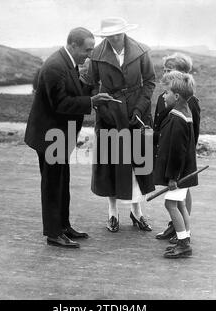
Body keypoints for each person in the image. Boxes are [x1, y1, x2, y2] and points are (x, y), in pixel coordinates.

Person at [24, 27, 114, 248]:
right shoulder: (55, 66)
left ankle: (63, 226)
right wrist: (92, 102)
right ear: (73, 45)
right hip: (49, 137)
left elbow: (72, 91)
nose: (89, 54)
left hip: (58, 136)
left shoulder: (67, 62)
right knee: (53, 185)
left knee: (62, 182)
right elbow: (61, 103)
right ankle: (54, 234)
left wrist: (90, 88)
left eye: (92, 49)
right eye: (87, 49)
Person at [86, 17, 156, 232]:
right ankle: (113, 213)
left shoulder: (141, 51)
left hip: (137, 112)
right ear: (105, 36)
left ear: (124, 32)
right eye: (110, 35)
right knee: (111, 163)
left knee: (138, 163)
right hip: (109, 114)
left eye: (118, 34)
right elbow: (91, 86)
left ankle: (137, 213)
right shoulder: (97, 55)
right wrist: (103, 109)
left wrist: (139, 109)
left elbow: (150, 81)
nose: (115, 38)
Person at [153, 53, 201, 243]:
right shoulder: (172, 103)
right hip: (175, 160)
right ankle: (181, 233)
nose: (165, 74)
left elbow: (189, 138)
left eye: (169, 71)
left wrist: (175, 173)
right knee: (176, 202)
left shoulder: (188, 107)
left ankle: (182, 237)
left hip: (180, 165)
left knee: (176, 201)